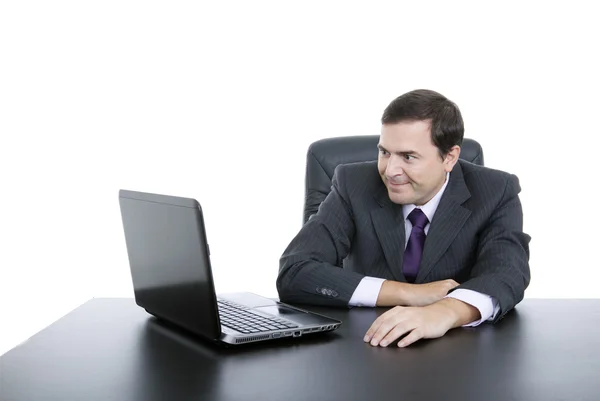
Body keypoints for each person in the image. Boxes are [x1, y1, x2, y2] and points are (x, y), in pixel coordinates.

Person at [277, 89, 531, 347]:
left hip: (457, 350)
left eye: (408, 157)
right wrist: (410, 294)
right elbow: (295, 272)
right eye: (385, 152)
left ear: (450, 158)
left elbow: (507, 272)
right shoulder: (353, 184)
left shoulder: (496, 190)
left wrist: (444, 311)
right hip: (364, 346)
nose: (390, 171)